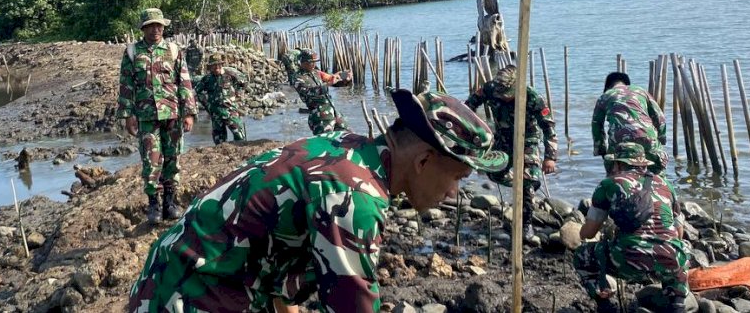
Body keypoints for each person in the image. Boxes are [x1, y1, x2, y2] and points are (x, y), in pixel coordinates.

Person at [128, 90, 507, 312]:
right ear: (423, 161)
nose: (454, 194)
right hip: (190, 295)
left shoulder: (347, 148)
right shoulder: (355, 196)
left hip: (177, 275)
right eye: (458, 177)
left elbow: (286, 262)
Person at [572, 142, 690, 313]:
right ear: (643, 163)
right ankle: (677, 305)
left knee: (582, 255)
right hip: (668, 262)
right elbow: (679, 234)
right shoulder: (666, 185)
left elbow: (589, 233)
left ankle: (604, 304)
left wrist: (581, 230)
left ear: (618, 163)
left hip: (628, 260)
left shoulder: (609, 184)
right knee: (681, 250)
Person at [116, 8, 197, 224]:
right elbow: (126, 85)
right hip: (146, 117)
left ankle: (170, 202)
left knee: (172, 159)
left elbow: (184, 82)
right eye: (151, 26)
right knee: (151, 161)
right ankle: (154, 204)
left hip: (172, 115)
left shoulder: (173, 50)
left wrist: (189, 112)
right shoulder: (133, 52)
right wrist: (127, 114)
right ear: (144, 28)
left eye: (159, 25)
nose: (156, 29)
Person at [465, 65, 557, 241]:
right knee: (494, 172)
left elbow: (549, 127)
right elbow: (468, 107)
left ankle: (526, 224)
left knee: (527, 183)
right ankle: (524, 185)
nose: (503, 97)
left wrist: (550, 158)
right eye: (501, 94)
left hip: (527, 141)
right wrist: (472, 133)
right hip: (503, 138)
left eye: (507, 94)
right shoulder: (489, 89)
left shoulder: (532, 97)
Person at [592, 72, 668, 174]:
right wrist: (661, 140)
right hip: (647, 137)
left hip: (619, 140)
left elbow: (596, 125)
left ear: (607, 86)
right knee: (657, 174)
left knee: (617, 176)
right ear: (627, 83)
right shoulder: (641, 91)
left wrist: (601, 150)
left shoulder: (605, 96)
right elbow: (659, 117)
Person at [293, 49, 350, 135]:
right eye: (311, 62)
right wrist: (327, 85)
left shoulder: (316, 72)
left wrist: (345, 77)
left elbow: (332, 79)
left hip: (333, 112)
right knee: (324, 140)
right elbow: (308, 92)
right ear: (303, 62)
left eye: (315, 62)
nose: (314, 64)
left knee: (345, 136)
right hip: (319, 115)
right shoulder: (298, 78)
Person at [194, 53, 248, 145]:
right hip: (215, 113)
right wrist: (207, 105)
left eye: (218, 65)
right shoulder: (207, 79)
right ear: (210, 67)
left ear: (221, 64)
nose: (216, 67)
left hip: (230, 111)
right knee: (219, 142)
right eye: (214, 66)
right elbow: (197, 91)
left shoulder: (230, 74)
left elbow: (244, 82)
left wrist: (238, 95)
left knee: (240, 137)